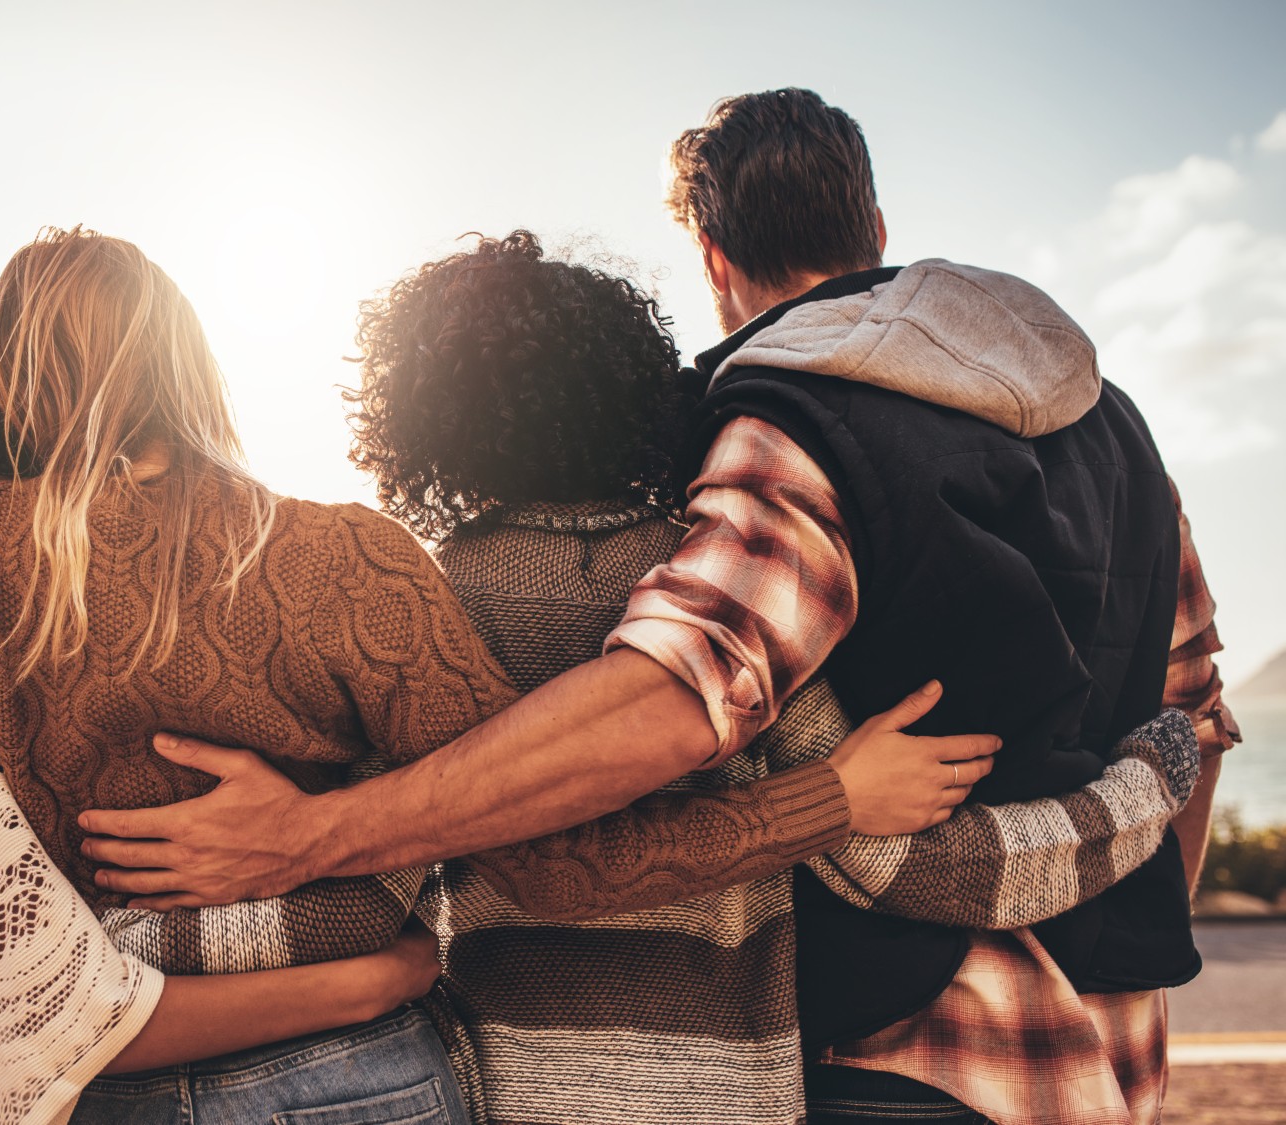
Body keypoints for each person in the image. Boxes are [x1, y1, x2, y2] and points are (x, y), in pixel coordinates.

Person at [80, 92, 1240, 1125]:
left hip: (900, 1052)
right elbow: (1192, 718)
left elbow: (671, 699)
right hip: (1100, 1046)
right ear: (874, 227)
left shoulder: (786, 424)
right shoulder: (1115, 432)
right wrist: (1129, 925)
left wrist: (297, 844)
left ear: (708, 250)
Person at [0, 230, 978, 1124]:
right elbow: (555, 860)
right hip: (360, 1076)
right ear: (193, 363)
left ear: (4, 375)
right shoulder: (345, 560)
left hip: (128, 1076)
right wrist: (830, 796)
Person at [333, 230, 1198, 1125]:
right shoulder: (1126, 448)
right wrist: (1146, 788)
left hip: (524, 1083)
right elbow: (911, 863)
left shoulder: (433, 608)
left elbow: (369, 900)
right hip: (739, 1090)